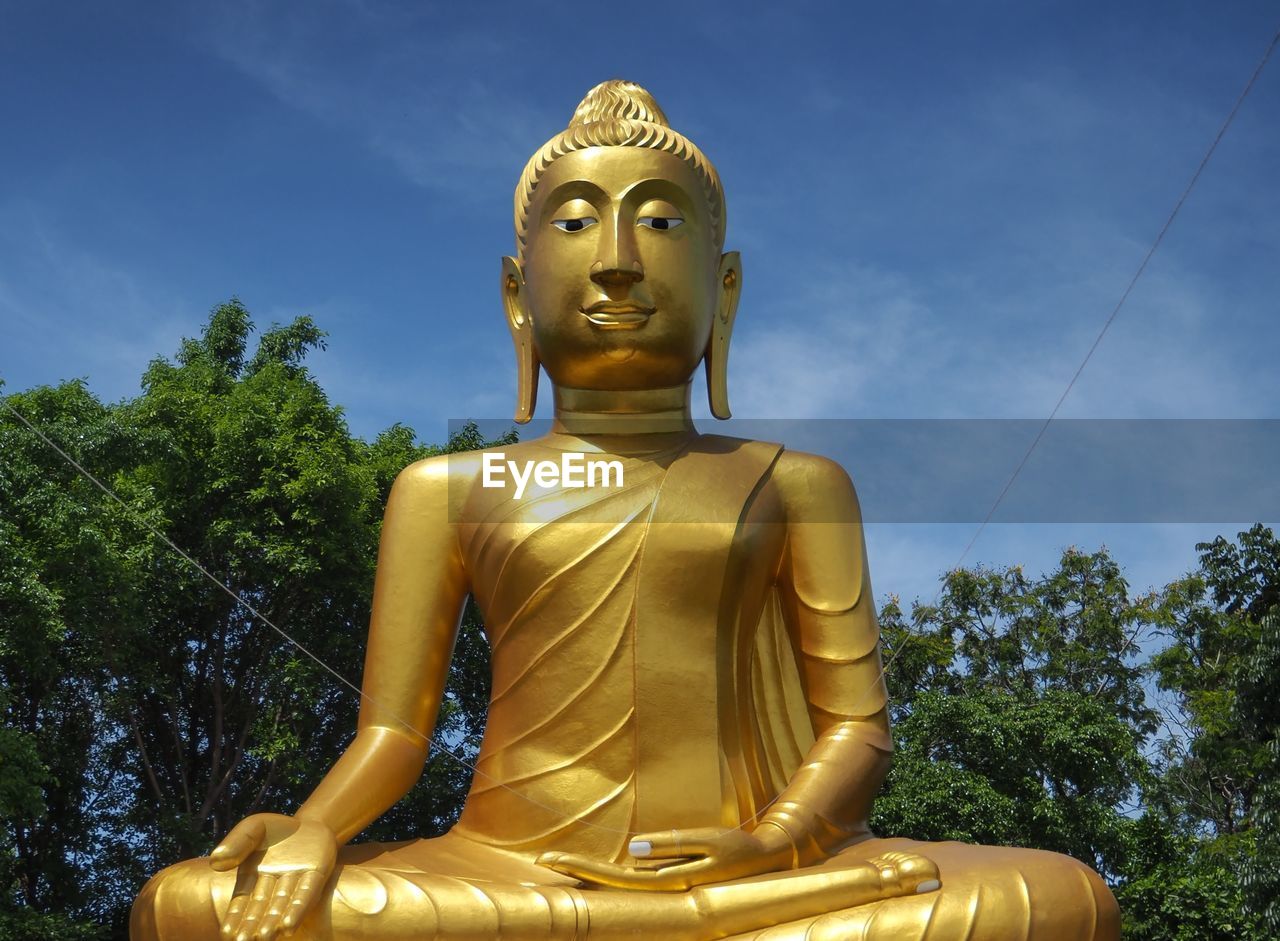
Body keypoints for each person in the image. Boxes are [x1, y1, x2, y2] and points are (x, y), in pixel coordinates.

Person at [131, 80, 1119, 941]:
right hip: (504, 875)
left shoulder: (793, 484)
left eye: (657, 220)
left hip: (759, 872)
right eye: (572, 221)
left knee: (1054, 898)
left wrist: (768, 840)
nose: (613, 259)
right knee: (191, 904)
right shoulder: (446, 490)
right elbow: (393, 733)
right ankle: (677, 926)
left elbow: (856, 731)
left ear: (723, 290)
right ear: (516, 297)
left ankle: (700, 913)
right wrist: (315, 826)